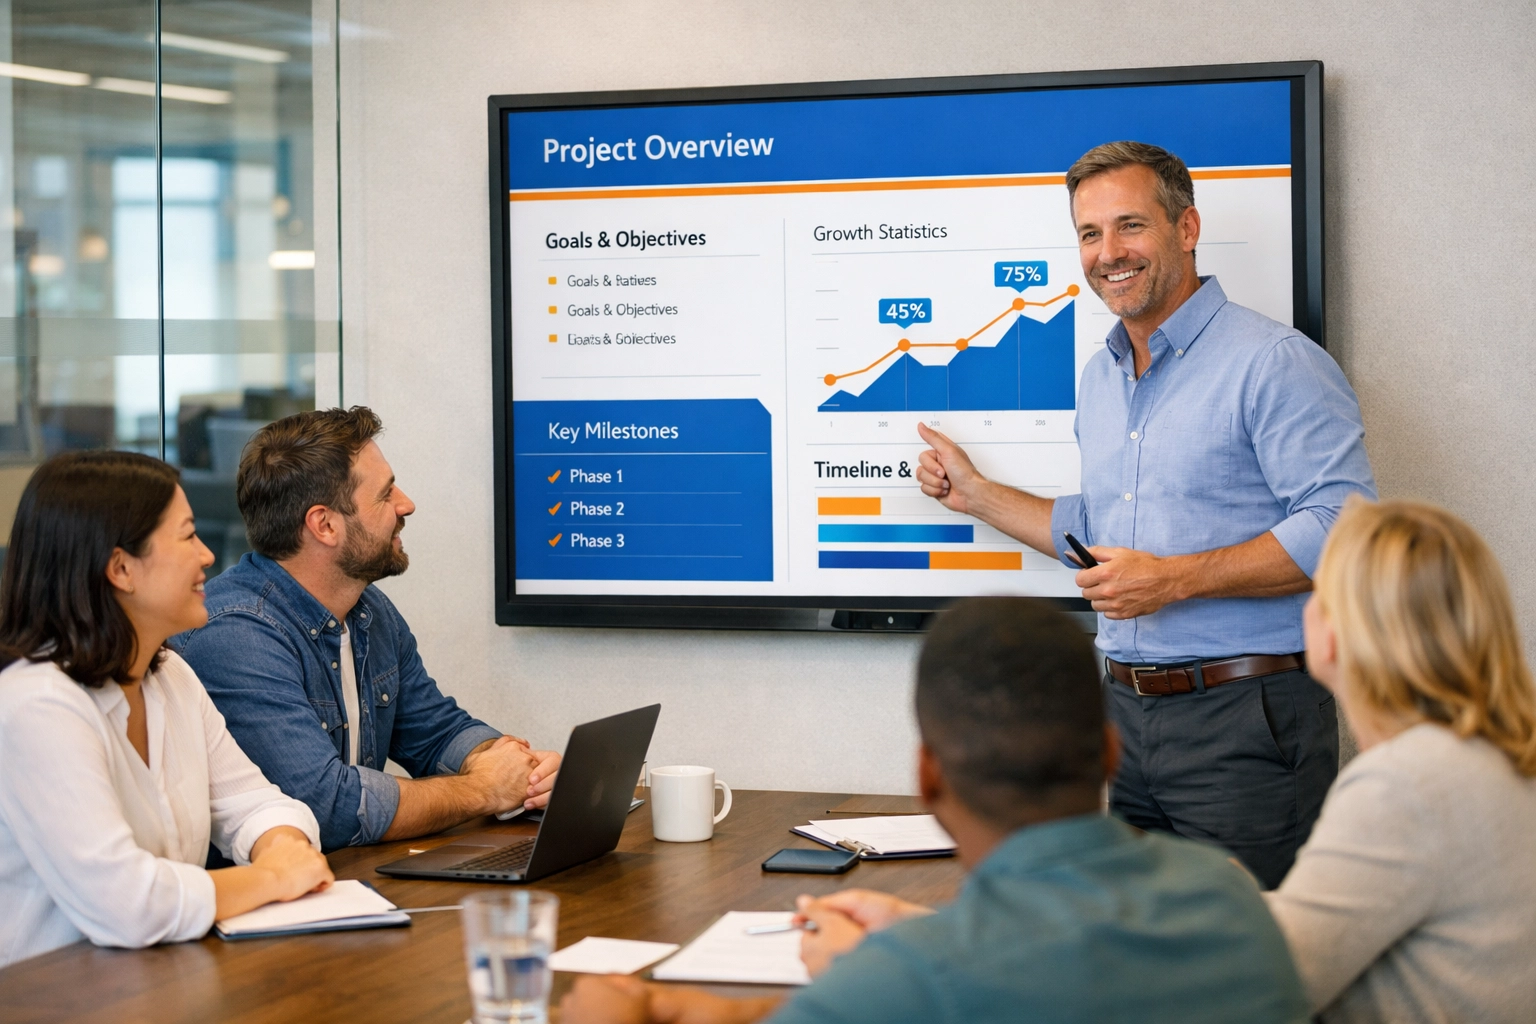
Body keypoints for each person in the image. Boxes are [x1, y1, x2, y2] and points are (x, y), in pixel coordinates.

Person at [915, 141, 1376, 887]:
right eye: (1090, 234)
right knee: (1141, 969)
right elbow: (1102, 532)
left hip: (1246, 718)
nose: (1108, 253)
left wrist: (1175, 581)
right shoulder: (1101, 377)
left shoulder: (1274, 362)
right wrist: (974, 494)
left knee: (1246, 972)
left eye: (1130, 226)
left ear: (1186, 228)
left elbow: (1348, 525)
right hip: (1124, 718)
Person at [561, 598, 1309, 1024]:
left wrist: (614, 1012)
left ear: (927, 776)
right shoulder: (1232, 901)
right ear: (1112, 753)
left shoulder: (910, 987)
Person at [171, 407, 559, 853]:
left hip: (349, 888)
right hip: (263, 908)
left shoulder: (367, 609)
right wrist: (484, 790)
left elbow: (434, 730)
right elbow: (329, 808)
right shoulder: (235, 635)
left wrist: (514, 767)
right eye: (385, 494)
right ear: (325, 525)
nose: (406, 505)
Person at [0, 452, 332, 967]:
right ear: (121, 568)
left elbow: (256, 803)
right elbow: (127, 905)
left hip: (157, 982)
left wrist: (282, 845)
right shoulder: (37, 706)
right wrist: (272, 877)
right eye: (187, 536)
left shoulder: (169, 675)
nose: (206, 556)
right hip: (51, 1000)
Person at [1265, 498, 1536, 1022]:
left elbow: (1275, 982)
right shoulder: (1496, 749)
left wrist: (1216, 895)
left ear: (1342, 633)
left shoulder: (1406, 783)